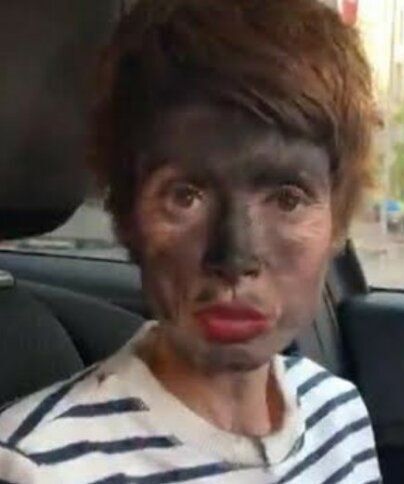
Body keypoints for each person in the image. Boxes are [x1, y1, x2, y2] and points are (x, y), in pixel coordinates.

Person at [0, 0, 380, 482]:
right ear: (127, 218)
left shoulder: (340, 416)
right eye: (185, 196)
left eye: (288, 199)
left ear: (338, 222)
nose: (235, 258)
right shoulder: (37, 468)